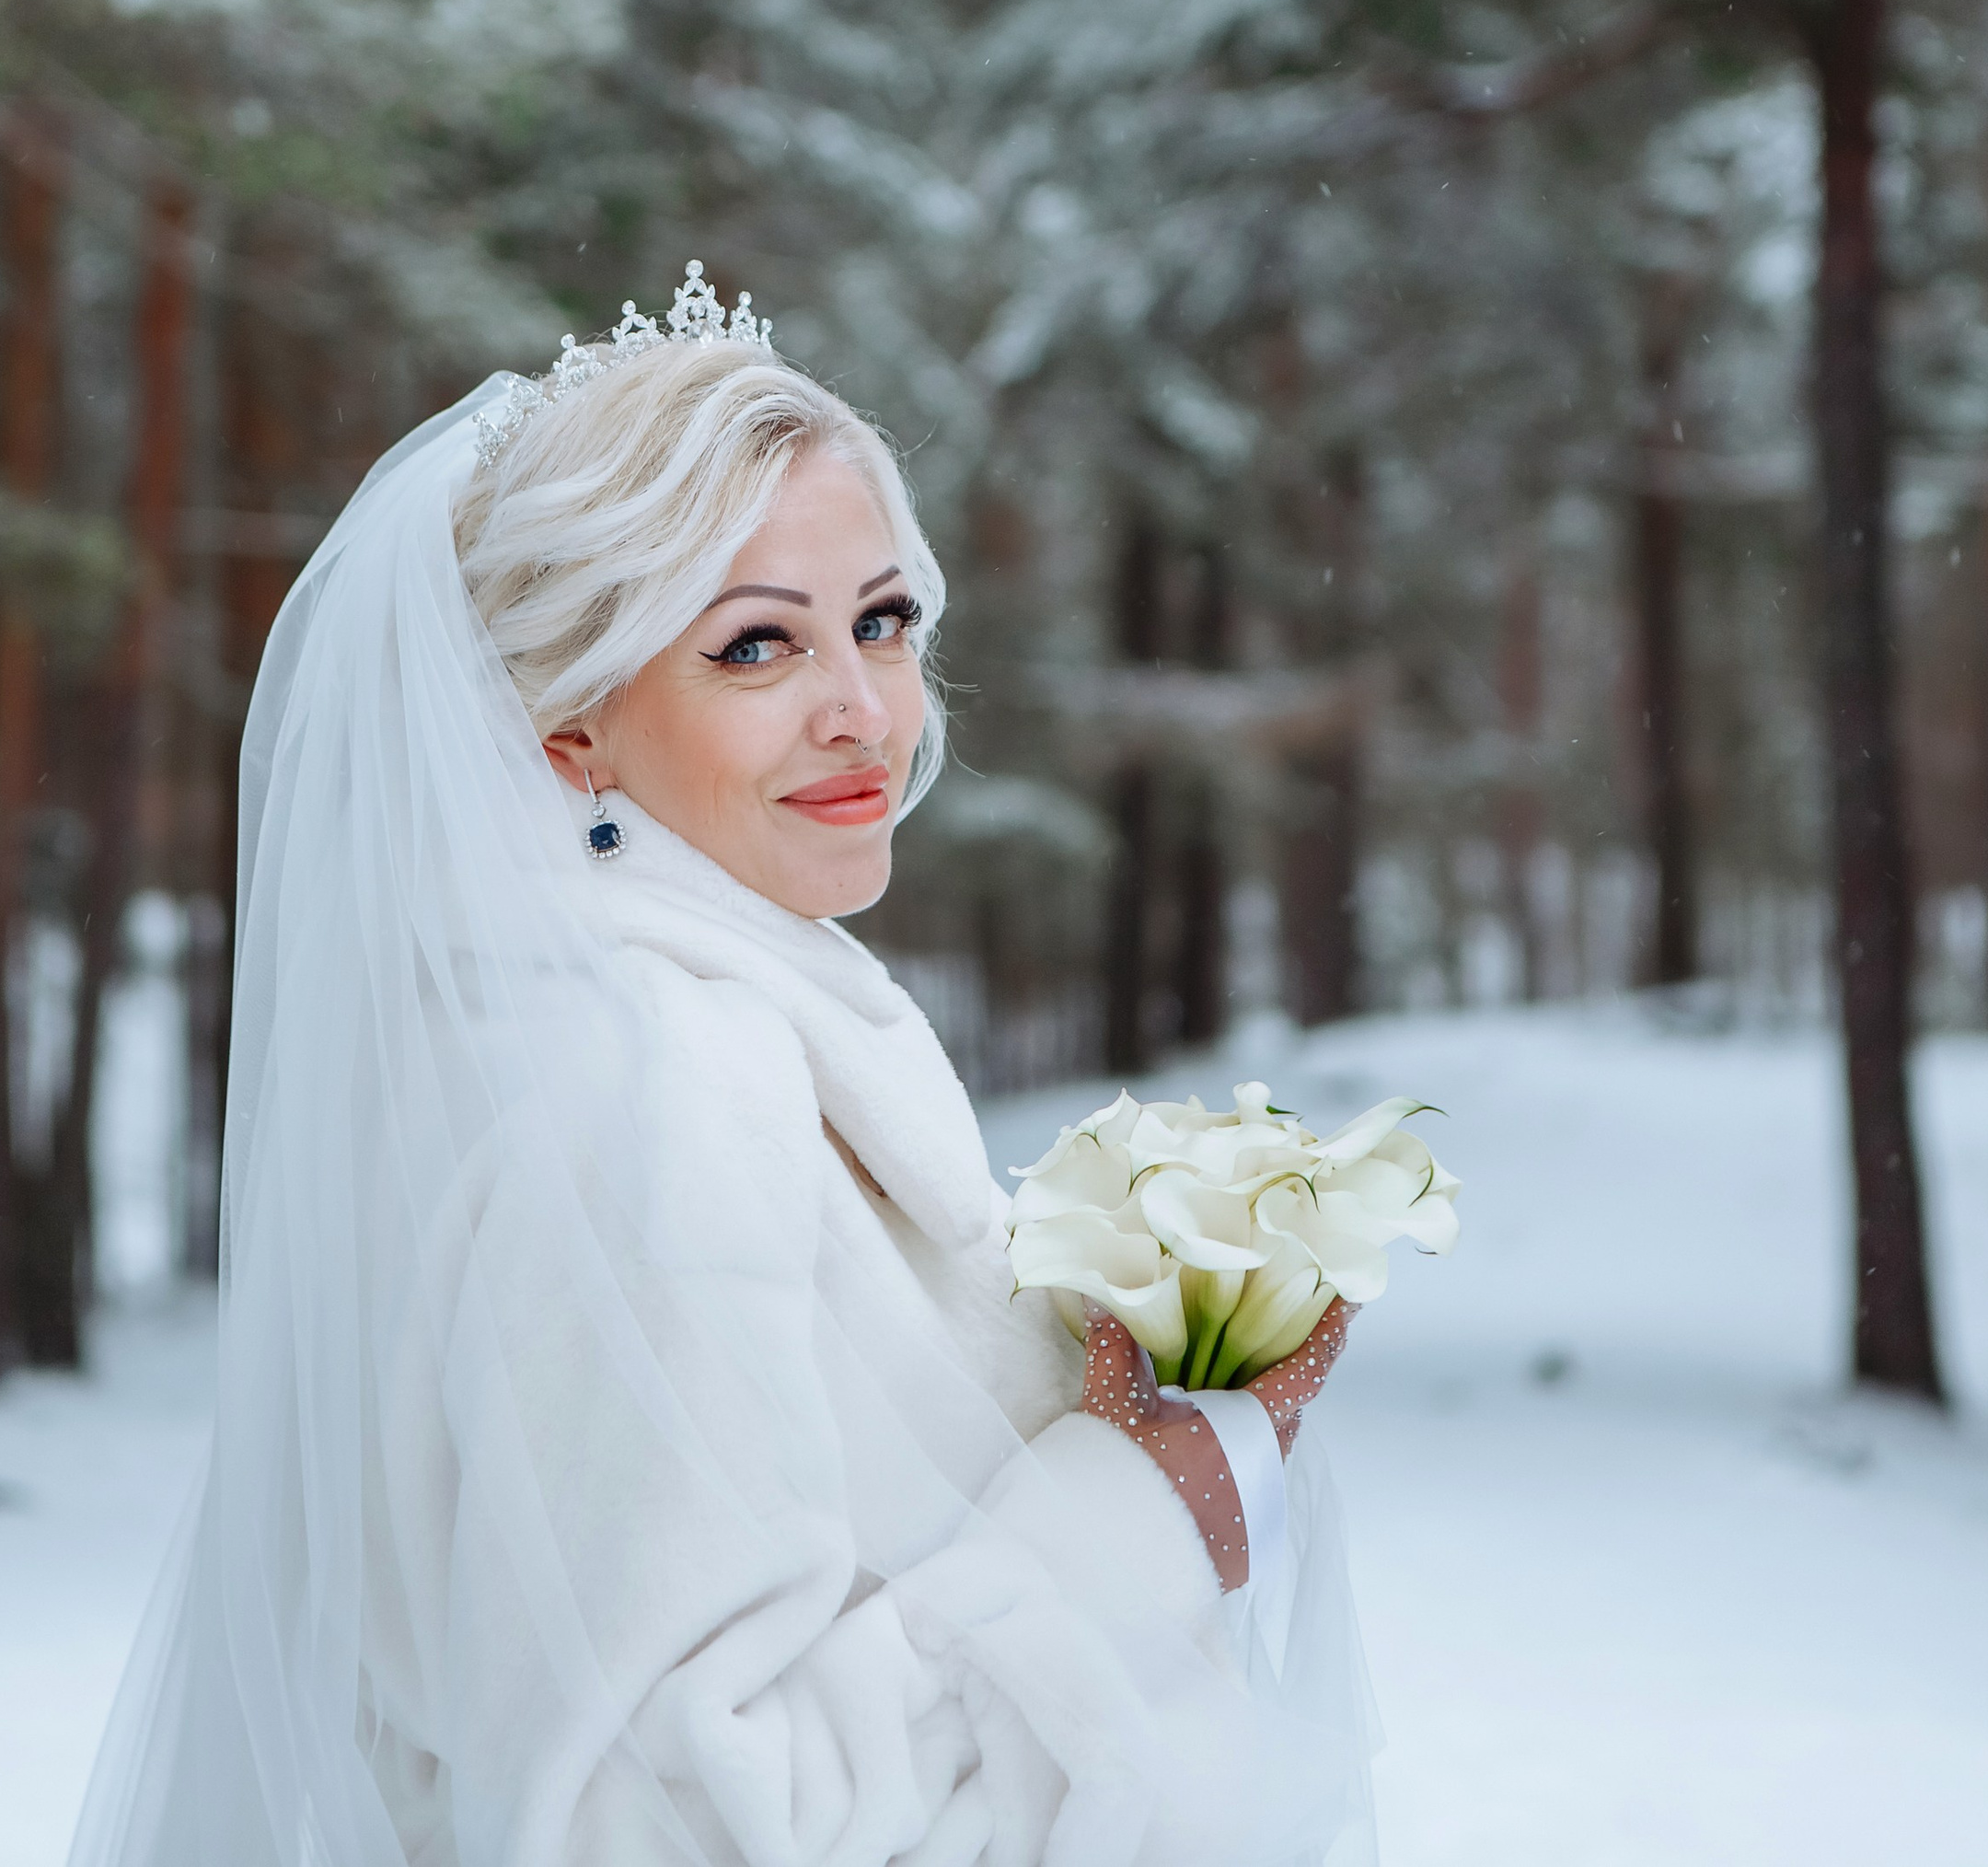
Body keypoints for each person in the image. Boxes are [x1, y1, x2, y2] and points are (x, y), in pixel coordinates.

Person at [69, 270, 1380, 1867]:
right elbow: (649, 1821)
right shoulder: (656, 1091)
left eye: (882, 622)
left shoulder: (602, 1032)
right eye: (757, 647)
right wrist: (1143, 1515)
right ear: (569, 731)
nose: (864, 712)